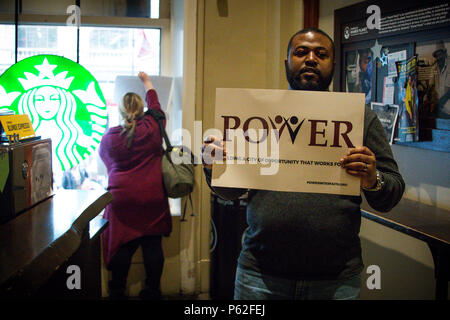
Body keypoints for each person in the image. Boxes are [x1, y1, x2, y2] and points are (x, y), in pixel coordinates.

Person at [202, 28, 405, 300]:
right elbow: (231, 192)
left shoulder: (359, 117)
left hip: (335, 281)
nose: (310, 59)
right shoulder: (256, 114)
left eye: (321, 54)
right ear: (287, 62)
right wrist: (213, 166)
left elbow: (390, 194)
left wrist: (372, 179)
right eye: (301, 52)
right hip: (259, 276)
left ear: (333, 64)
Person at [99, 72, 171, 300]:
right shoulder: (152, 127)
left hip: (122, 200)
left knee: (122, 245)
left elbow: (107, 163)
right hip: (152, 196)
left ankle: (117, 291)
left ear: (120, 111)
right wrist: (147, 83)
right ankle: (152, 291)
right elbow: (157, 107)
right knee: (152, 244)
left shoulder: (110, 138)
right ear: (142, 110)